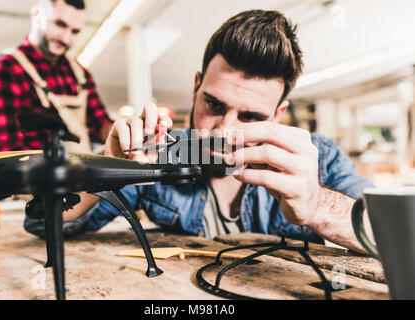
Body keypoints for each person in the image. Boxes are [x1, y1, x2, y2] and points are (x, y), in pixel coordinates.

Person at [25, 10, 373, 254]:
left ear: (278, 115)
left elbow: (400, 236)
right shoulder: (159, 152)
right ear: (196, 88)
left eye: (251, 116)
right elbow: (43, 224)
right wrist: (107, 165)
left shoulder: (319, 158)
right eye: (215, 105)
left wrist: (317, 205)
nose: (225, 130)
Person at [0, 0, 112, 153]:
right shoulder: (4, 71)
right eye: (60, 24)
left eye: (75, 31)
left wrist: (123, 132)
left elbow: (99, 124)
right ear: (36, 14)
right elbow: (7, 151)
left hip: (83, 174)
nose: (66, 39)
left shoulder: (80, 74)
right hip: (34, 176)